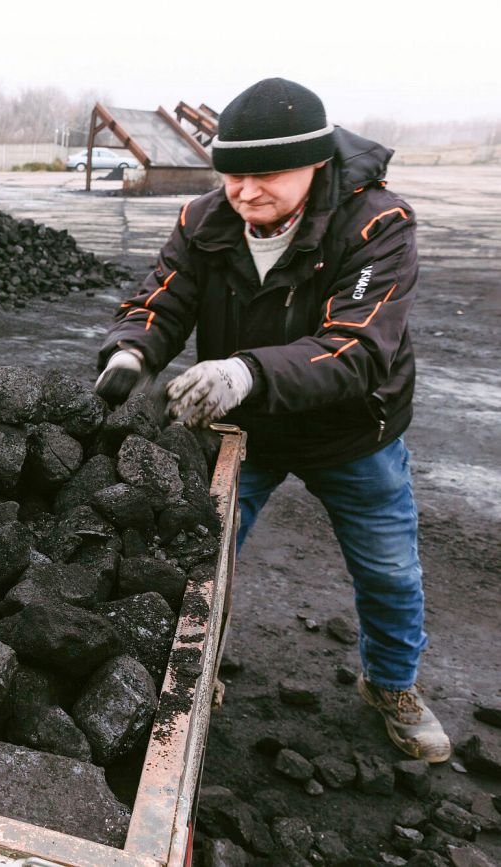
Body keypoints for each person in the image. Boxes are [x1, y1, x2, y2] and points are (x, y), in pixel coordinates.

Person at [93, 78, 451, 762]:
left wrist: (244, 372)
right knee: (201, 562)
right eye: (233, 175)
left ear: (315, 163)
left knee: (389, 571)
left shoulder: (376, 225)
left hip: (352, 432)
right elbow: (162, 297)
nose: (246, 192)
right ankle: (196, 673)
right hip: (241, 430)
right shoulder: (204, 221)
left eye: (266, 176)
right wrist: (133, 350)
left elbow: (356, 348)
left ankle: (392, 684)